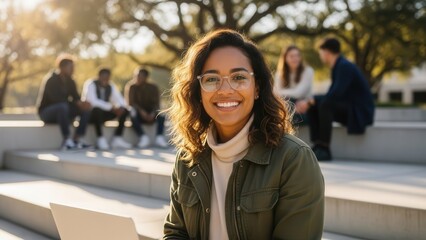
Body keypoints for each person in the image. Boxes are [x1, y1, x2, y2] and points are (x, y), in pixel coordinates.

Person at [163, 29, 324, 239]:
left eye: (239, 77)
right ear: (198, 91)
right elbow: (175, 232)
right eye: (211, 79)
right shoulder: (187, 159)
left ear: (257, 87)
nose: (225, 90)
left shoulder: (293, 160)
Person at [297, 38, 375, 161]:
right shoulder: (338, 66)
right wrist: (311, 102)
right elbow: (332, 94)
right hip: (350, 109)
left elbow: (335, 94)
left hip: (360, 113)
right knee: (316, 105)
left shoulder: (344, 66)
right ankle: (317, 145)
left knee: (325, 104)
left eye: (321, 53)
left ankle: (325, 149)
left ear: (326, 52)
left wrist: (309, 100)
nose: (320, 56)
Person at [37, 56, 91, 150]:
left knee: (86, 109)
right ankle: (66, 140)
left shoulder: (70, 81)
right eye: (71, 67)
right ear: (62, 67)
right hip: (46, 113)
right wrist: (75, 103)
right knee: (62, 106)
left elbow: (76, 97)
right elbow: (56, 99)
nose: (73, 70)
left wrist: (82, 103)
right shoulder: (51, 80)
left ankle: (77, 139)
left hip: (63, 112)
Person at [81, 68, 132, 150]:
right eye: (103, 78)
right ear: (99, 76)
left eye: (107, 78)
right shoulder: (91, 84)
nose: (105, 80)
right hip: (91, 115)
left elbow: (119, 100)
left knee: (124, 110)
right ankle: (100, 138)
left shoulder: (110, 86)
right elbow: (93, 102)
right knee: (97, 110)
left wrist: (120, 107)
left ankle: (117, 138)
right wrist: (111, 107)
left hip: (104, 114)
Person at [124, 68, 168, 148]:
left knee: (162, 114)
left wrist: (152, 113)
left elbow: (156, 104)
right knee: (132, 112)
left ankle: (159, 137)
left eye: (139, 76)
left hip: (151, 114)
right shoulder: (131, 86)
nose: (137, 77)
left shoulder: (153, 87)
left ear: (145, 77)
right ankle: (143, 137)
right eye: (136, 75)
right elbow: (130, 103)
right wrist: (141, 111)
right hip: (138, 115)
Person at [274, 45, 314, 124]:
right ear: (285, 58)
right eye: (292, 56)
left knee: (289, 103)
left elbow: (298, 93)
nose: (295, 59)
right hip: (286, 106)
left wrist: (280, 92)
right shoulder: (280, 74)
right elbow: (275, 94)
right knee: (286, 103)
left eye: (297, 55)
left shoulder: (308, 71)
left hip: (304, 106)